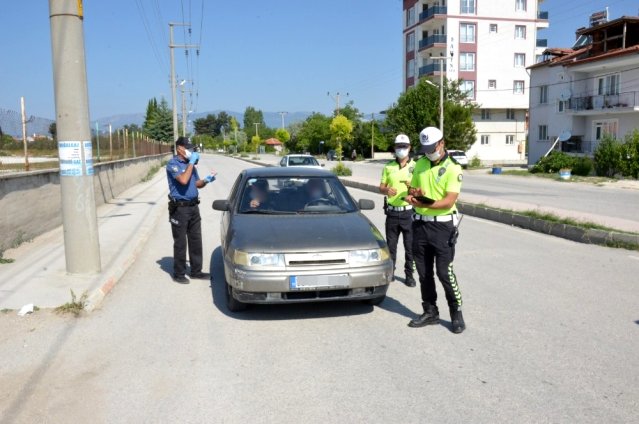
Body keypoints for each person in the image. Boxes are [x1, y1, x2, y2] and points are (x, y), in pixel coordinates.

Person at [404, 127, 465, 333]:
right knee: (423, 273)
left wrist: (423, 204)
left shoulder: (453, 167)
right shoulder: (420, 164)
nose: (429, 152)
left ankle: (456, 313)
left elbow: (449, 200)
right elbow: (413, 189)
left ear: (442, 143)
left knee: (444, 272)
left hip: (442, 226)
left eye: (432, 147)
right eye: (426, 148)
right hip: (420, 225)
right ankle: (430, 311)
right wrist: (414, 194)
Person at [166, 136, 217, 284]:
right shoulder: (173, 164)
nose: (191, 150)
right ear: (179, 148)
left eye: (192, 148)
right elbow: (183, 180)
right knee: (180, 242)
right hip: (180, 209)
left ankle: (196, 271)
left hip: (194, 207)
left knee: (196, 240)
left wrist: (206, 180)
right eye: (188, 148)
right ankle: (179, 273)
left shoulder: (190, 165)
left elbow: (196, 183)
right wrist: (191, 163)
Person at [379, 134, 416, 287]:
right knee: (391, 246)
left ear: (410, 147)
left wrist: (412, 189)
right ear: (394, 148)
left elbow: (422, 190)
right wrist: (386, 189)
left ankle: (409, 275)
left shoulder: (416, 167)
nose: (401, 149)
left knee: (410, 247)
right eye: (399, 146)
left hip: (409, 213)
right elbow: (381, 187)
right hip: (393, 213)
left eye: (404, 146)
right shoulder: (388, 166)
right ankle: (391, 271)